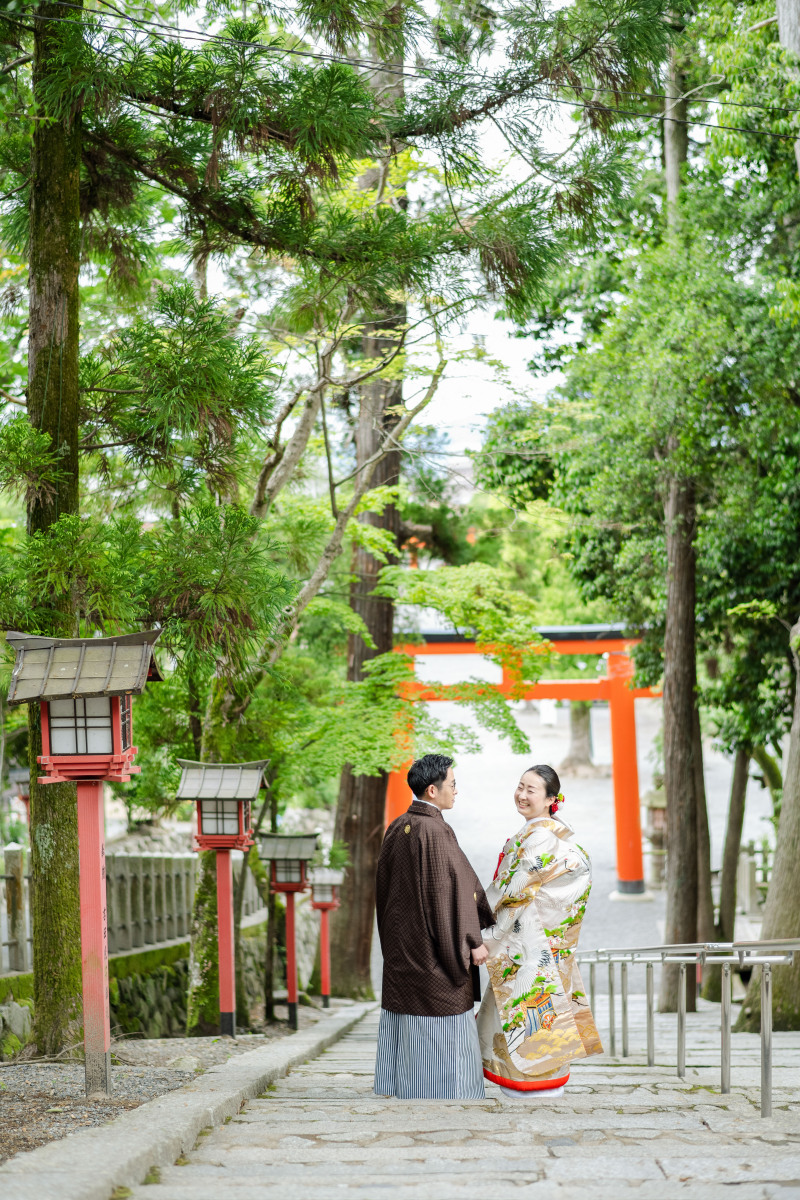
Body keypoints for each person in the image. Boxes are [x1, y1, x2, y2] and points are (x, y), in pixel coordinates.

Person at [477, 764, 603, 1098]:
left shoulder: (541, 838)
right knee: (540, 1009)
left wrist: (487, 936)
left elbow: (515, 891)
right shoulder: (545, 834)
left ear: (551, 799)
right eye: (520, 786)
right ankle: (541, 1082)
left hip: (531, 940)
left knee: (525, 1008)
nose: (521, 794)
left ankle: (529, 1084)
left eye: (531, 790)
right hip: (544, 939)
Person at [374, 753, 494, 1099]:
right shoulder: (435, 830)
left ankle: (405, 1086)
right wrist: (471, 940)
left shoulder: (398, 826)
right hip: (434, 953)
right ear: (432, 790)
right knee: (442, 1021)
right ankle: (445, 1090)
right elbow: (450, 893)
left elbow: (387, 891)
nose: (456, 791)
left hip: (404, 953)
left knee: (409, 1026)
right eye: (452, 785)